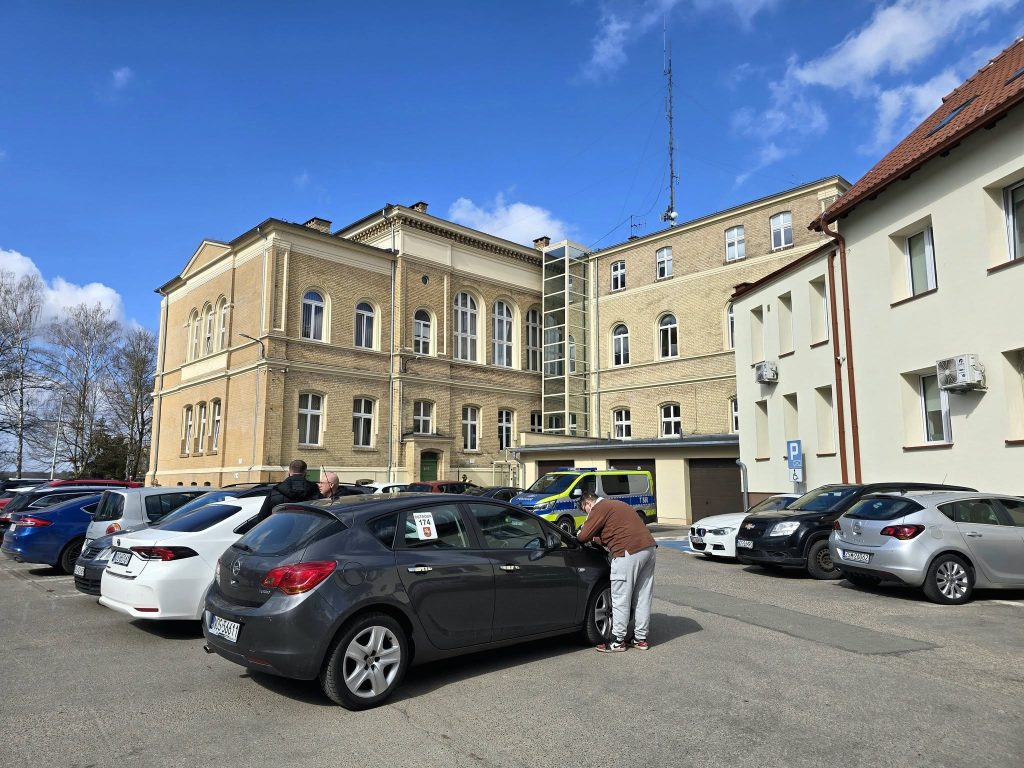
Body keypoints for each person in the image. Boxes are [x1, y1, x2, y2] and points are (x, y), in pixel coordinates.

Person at [576, 488, 657, 653]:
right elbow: (613, 532)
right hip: (648, 549)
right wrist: (597, 538)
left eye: (585, 510)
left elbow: (583, 536)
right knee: (642, 597)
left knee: (620, 597)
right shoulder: (617, 505)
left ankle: (618, 640)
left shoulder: (599, 508)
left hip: (627, 552)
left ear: (587, 502)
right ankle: (640, 639)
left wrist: (582, 534)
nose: (587, 514)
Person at [256, 459, 321, 523]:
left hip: (282, 531)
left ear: (289, 473)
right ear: (305, 473)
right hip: (309, 531)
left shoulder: (276, 491)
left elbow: (261, 518)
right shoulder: (315, 490)